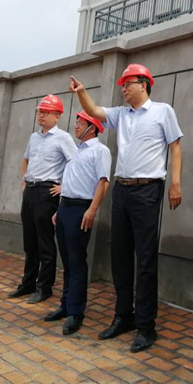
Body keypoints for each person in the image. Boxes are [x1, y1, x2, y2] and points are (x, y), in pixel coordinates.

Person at [69, 63, 183, 353]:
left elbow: (175, 147)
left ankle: (146, 326)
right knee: (119, 256)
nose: (123, 89)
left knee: (145, 259)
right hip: (122, 189)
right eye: (122, 85)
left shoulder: (163, 111)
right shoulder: (121, 115)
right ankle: (124, 316)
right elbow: (95, 111)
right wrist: (81, 92)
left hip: (148, 190)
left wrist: (175, 183)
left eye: (127, 84)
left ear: (143, 84)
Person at [43, 111, 111, 335]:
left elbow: (103, 182)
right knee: (67, 262)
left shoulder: (100, 151)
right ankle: (65, 305)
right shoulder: (77, 151)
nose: (76, 126)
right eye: (76, 122)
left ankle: (75, 312)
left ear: (93, 127)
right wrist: (60, 209)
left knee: (77, 261)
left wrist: (92, 209)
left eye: (80, 122)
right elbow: (72, 181)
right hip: (65, 208)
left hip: (81, 209)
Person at [7, 94, 77, 304]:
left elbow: (76, 164)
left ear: (57, 116)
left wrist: (64, 186)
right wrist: (24, 181)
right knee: (30, 241)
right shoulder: (34, 137)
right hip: (30, 191)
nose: (41, 115)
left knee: (45, 242)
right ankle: (28, 283)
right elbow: (26, 159)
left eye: (46, 112)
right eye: (40, 111)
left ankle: (44, 287)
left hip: (47, 193)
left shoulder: (63, 138)